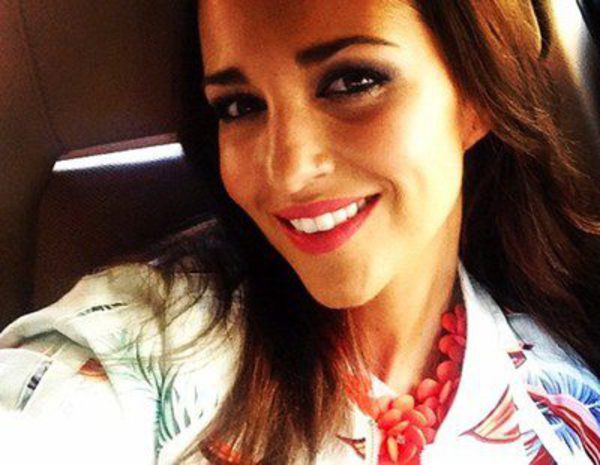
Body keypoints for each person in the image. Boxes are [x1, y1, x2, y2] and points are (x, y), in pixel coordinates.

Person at [1, 1, 599, 464]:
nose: (286, 171)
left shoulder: (566, 390)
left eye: (352, 82)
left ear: (476, 96)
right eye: (240, 107)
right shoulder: (145, 343)